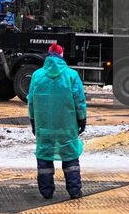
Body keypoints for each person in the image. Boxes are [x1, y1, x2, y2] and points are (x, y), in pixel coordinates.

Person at [27, 43, 86, 200]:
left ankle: (46, 191)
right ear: (61, 55)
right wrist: (82, 119)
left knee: (45, 157)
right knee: (70, 157)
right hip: (67, 125)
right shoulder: (71, 75)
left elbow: (31, 101)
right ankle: (74, 191)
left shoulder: (37, 76)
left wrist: (33, 120)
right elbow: (79, 100)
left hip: (44, 126)